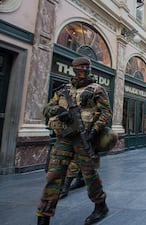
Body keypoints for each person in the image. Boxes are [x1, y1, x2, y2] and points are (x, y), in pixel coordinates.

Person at [37, 56, 112, 225]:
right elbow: (47, 109)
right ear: (74, 68)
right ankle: (43, 216)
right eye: (80, 66)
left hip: (84, 139)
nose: (84, 69)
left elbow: (106, 112)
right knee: (53, 176)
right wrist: (59, 111)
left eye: (87, 66)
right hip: (63, 139)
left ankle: (101, 206)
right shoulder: (63, 90)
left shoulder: (96, 89)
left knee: (89, 175)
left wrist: (94, 130)